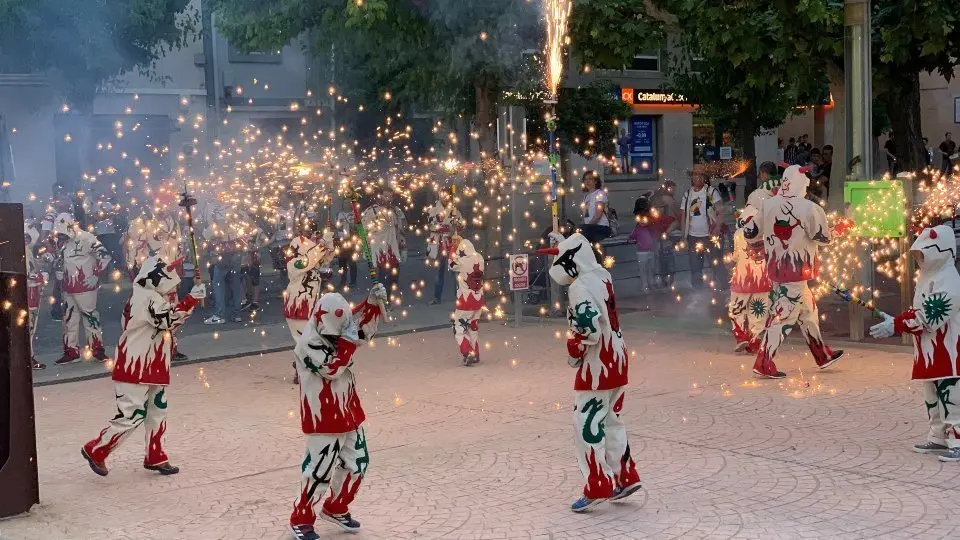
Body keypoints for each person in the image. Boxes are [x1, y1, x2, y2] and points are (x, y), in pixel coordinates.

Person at [538, 233, 642, 512]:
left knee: (586, 424)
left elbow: (588, 330)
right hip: (618, 357)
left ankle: (598, 484)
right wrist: (565, 241)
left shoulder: (580, 287)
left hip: (598, 365)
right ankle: (625, 476)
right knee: (611, 421)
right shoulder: (602, 275)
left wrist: (573, 350)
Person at [81, 256, 206, 477]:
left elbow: (166, 323)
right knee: (133, 414)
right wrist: (191, 300)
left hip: (150, 363)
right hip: (136, 364)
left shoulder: (148, 295)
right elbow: (168, 321)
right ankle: (97, 449)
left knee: (157, 411)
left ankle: (155, 455)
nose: (174, 282)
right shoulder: (147, 298)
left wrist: (188, 301)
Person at [289, 284, 387, 540]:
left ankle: (336, 507)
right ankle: (301, 518)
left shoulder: (334, 325)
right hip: (323, 416)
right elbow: (331, 368)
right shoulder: (307, 344)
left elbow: (356, 330)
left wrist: (372, 304)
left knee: (358, 465)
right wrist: (348, 340)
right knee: (319, 471)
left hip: (349, 410)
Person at [741, 165, 848, 379]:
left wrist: (764, 244)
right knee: (783, 318)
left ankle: (821, 355)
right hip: (797, 271)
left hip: (778, 269)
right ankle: (763, 362)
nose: (808, 185)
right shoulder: (809, 208)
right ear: (801, 183)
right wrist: (843, 227)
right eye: (806, 182)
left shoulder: (768, 205)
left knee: (808, 313)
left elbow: (749, 231)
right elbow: (823, 238)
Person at [869, 225, 960, 462]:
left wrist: (897, 325)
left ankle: (957, 439)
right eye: (917, 254)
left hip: (949, 350)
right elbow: (917, 311)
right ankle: (938, 437)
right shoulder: (926, 277)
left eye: (923, 253)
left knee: (952, 396)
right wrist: (898, 321)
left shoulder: (950, 279)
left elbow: (933, 314)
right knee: (932, 395)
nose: (919, 259)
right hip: (929, 350)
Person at [728, 163, 779, 354]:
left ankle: (741, 336)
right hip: (763, 276)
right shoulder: (769, 224)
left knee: (738, 307)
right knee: (759, 309)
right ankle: (755, 340)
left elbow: (734, 257)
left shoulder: (739, 231)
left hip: (742, 277)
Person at [53, 213, 112, 364]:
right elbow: (59, 259)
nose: (61, 236)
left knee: (90, 317)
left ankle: (97, 350)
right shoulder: (60, 241)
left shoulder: (87, 238)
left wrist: (96, 275)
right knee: (69, 320)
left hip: (86, 287)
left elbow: (105, 256)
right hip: (68, 287)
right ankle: (71, 352)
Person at [284, 231, 336, 383]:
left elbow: (325, 259)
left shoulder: (311, 259)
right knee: (303, 339)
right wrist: (321, 244)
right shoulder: (294, 263)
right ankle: (301, 370)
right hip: (298, 305)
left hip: (310, 304)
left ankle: (305, 365)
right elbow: (309, 260)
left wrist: (329, 244)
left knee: (311, 338)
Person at [680, 169, 726, 289]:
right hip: (693, 236)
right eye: (695, 175)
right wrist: (683, 236)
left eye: (701, 176)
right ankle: (697, 290)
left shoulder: (711, 192)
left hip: (710, 236)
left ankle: (725, 287)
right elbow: (684, 216)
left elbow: (720, 211)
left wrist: (718, 227)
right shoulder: (687, 194)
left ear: (705, 178)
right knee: (695, 265)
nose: (698, 178)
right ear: (692, 178)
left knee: (716, 262)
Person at [361, 189, 406, 303]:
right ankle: (382, 301)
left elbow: (402, 229)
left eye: (390, 196)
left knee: (391, 276)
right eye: (385, 196)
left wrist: (402, 244)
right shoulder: (372, 210)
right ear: (380, 196)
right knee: (382, 275)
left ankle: (386, 299)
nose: (387, 198)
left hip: (392, 248)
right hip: (379, 249)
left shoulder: (395, 211)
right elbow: (363, 227)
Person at [203, 209, 245, 325]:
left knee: (218, 282)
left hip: (223, 253)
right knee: (236, 283)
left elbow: (208, 235)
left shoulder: (216, 216)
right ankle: (237, 314)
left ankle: (219, 314)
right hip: (237, 251)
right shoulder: (235, 214)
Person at [449, 236, 484, 365]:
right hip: (478, 301)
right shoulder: (480, 259)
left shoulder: (462, 262)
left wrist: (453, 246)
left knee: (458, 328)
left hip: (465, 303)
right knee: (473, 329)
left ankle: (468, 352)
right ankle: (476, 353)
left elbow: (451, 263)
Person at [426, 189, 463, 304]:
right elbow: (431, 226)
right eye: (442, 196)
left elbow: (461, 225)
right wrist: (449, 228)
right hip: (438, 243)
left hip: (452, 244)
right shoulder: (433, 210)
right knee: (439, 272)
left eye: (446, 196)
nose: (444, 198)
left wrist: (456, 227)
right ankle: (437, 297)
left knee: (456, 271)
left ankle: (460, 297)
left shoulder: (455, 210)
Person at [25, 221, 48, 370]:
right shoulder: (23, 251)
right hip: (28, 293)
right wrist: (41, 276)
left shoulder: (25, 250)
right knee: (29, 328)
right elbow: (27, 275)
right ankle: (28, 359)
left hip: (28, 293)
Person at [650, 181, 680, 288]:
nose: (674, 191)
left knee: (659, 254)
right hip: (662, 226)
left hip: (654, 227)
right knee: (667, 254)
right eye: (673, 189)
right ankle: (668, 278)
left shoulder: (655, 197)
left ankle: (661, 278)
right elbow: (679, 215)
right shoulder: (668, 198)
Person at [579, 171, 612, 251]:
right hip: (590, 228)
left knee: (581, 232)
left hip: (601, 227)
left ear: (596, 181)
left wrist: (587, 227)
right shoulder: (586, 196)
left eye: (590, 179)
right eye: (585, 179)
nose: (587, 182)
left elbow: (598, 215)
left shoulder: (600, 194)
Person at [629, 197, 656, 294]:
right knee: (643, 270)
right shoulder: (638, 229)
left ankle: (650, 283)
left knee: (650, 268)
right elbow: (632, 236)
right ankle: (645, 285)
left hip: (649, 251)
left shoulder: (649, 228)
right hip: (642, 252)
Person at [335, 208, 358, 289]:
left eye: (348, 201)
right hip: (341, 241)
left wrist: (352, 221)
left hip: (351, 241)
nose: (347, 204)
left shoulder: (354, 213)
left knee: (352, 263)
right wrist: (340, 223)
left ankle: (353, 282)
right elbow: (337, 226)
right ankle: (342, 282)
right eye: (345, 201)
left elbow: (356, 226)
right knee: (342, 263)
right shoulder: (339, 213)